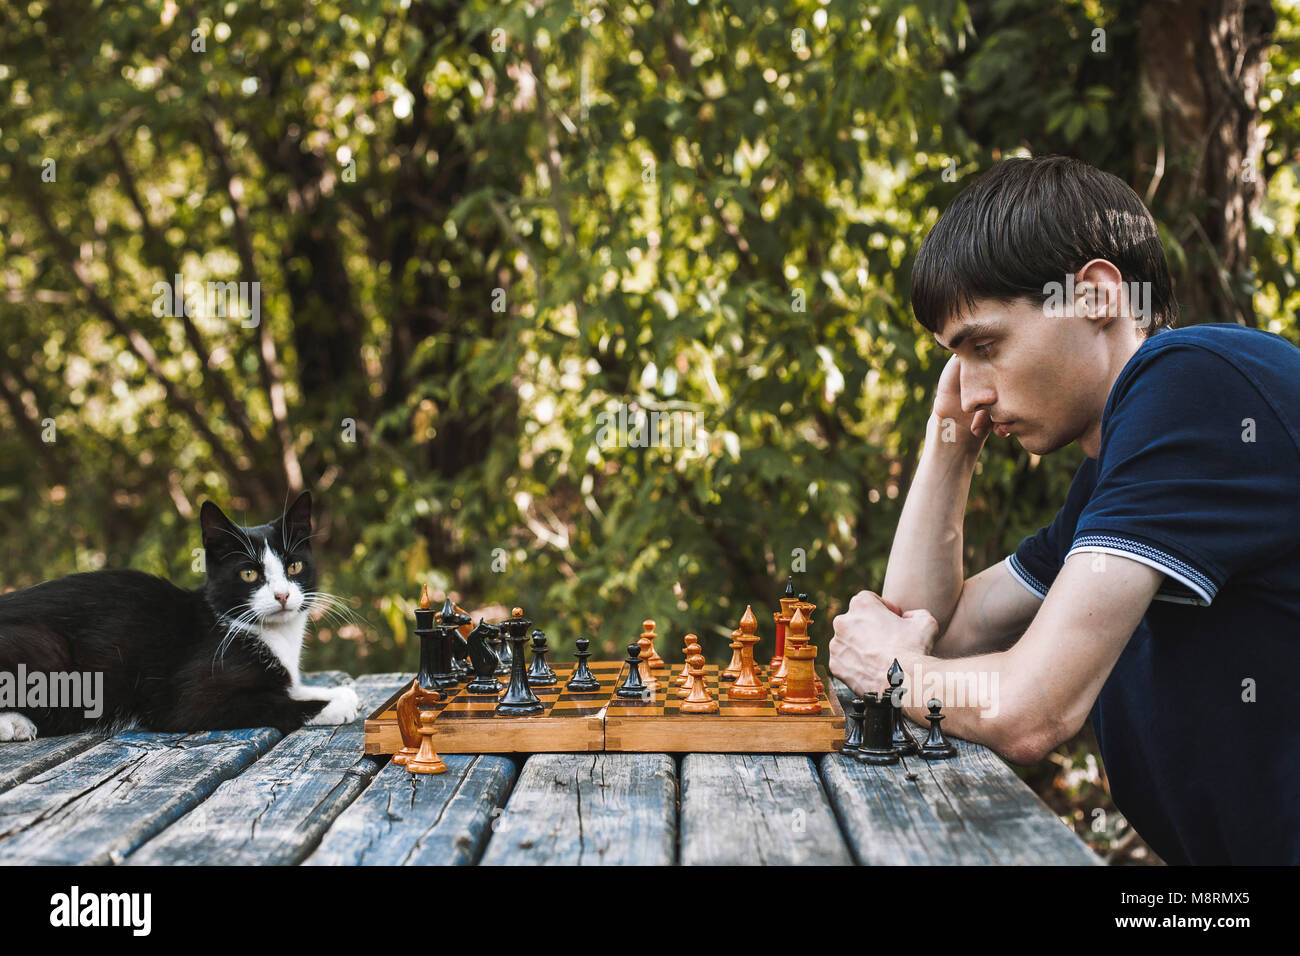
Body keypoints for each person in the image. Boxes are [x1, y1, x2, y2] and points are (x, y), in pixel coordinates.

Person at [829, 155, 1300, 865]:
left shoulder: (1192, 385)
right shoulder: (1115, 478)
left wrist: (892, 677)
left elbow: (1031, 708)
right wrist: (949, 444)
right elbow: (934, 630)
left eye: (985, 347)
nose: (973, 389)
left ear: (1098, 296)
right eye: (957, 362)